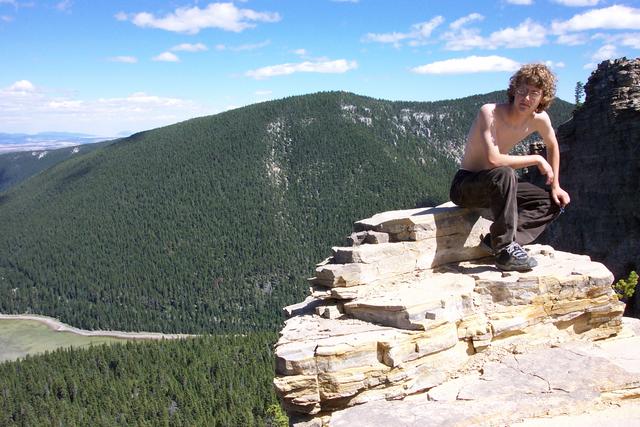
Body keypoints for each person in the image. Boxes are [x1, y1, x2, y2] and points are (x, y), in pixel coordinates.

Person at [449, 63, 570, 271]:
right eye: (522, 90)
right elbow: (494, 160)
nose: (527, 98)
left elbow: (552, 145)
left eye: (534, 93)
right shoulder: (490, 112)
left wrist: (556, 185)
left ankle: (495, 241)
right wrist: (538, 160)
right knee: (504, 172)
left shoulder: (540, 120)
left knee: (550, 202)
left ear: (543, 97)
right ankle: (505, 250)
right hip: (466, 184)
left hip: (499, 183)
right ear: (514, 90)